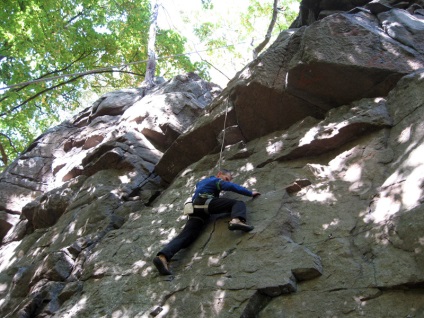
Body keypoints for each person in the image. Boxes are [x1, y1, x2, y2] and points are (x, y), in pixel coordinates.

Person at [153, 169, 261, 275]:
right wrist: (250, 193)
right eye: (226, 179)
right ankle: (236, 220)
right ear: (219, 174)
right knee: (238, 204)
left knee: (187, 235)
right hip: (205, 202)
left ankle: (163, 257)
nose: (227, 182)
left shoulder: (202, 183)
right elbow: (231, 187)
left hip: (196, 209)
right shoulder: (215, 180)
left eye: (228, 180)